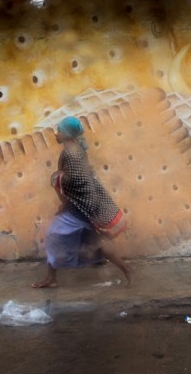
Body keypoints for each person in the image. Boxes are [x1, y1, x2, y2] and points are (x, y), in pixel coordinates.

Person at [32, 116, 132, 288]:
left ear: (67, 134)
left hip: (80, 206)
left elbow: (76, 180)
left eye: (59, 130)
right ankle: (126, 269)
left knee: (51, 236)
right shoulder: (75, 149)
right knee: (95, 243)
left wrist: (57, 178)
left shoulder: (71, 152)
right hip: (86, 204)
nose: (55, 133)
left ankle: (51, 279)